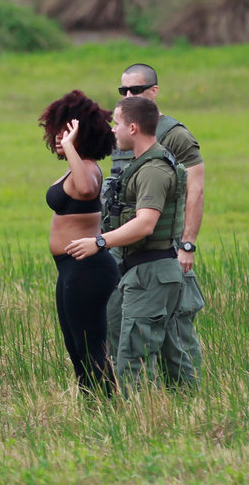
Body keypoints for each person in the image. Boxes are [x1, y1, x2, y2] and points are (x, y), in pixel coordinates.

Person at [66, 96, 197, 391]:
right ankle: (184, 410)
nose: (113, 129)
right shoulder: (142, 164)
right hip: (142, 270)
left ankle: (139, 422)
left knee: (132, 356)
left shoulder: (153, 169)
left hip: (152, 271)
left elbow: (145, 223)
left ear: (134, 128)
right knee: (167, 353)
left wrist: (99, 242)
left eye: (117, 123)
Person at [109, 63, 205, 366]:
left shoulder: (175, 135)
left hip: (163, 246)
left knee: (175, 329)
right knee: (123, 323)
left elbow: (196, 190)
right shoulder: (122, 130)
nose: (127, 95)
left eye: (135, 90)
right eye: (122, 90)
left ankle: (185, 398)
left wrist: (186, 244)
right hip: (124, 246)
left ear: (154, 91)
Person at [39, 91, 119, 395]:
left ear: (81, 135)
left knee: (90, 345)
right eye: (57, 132)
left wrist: (71, 147)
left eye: (66, 132)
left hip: (88, 269)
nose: (58, 138)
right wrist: (70, 149)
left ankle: (107, 405)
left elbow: (86, 188)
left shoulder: (89, 169)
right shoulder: (76, 167)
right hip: (70, 270)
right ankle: (93, 405)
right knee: (75, 346)